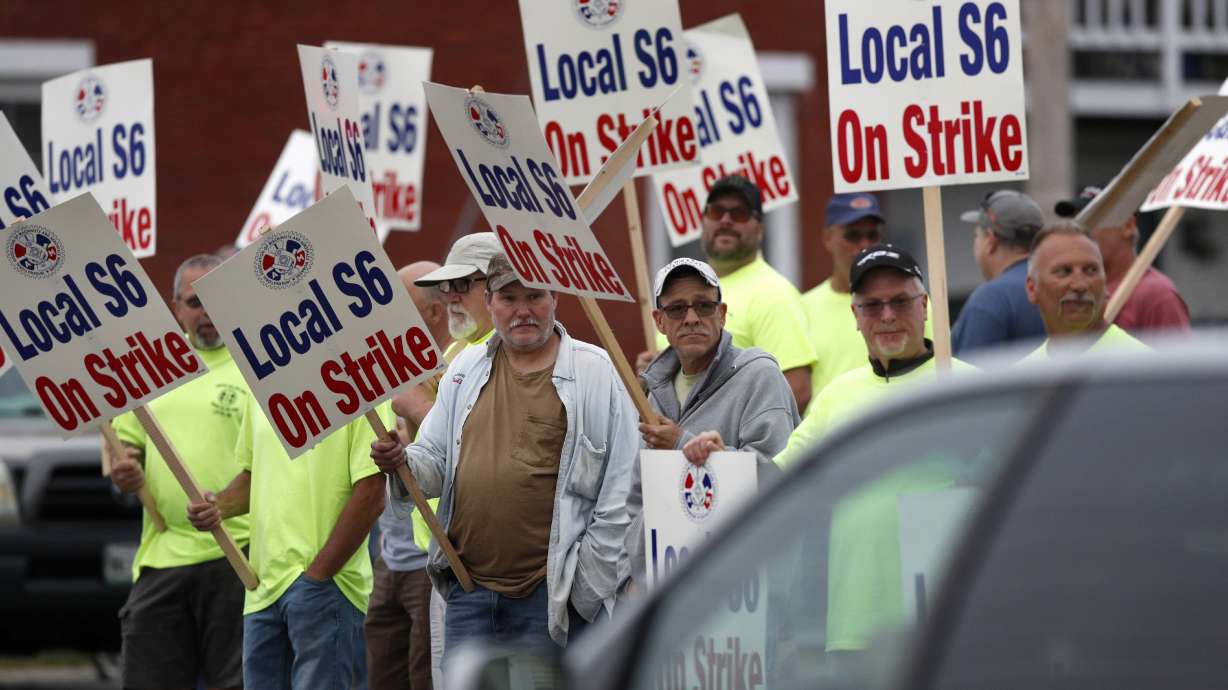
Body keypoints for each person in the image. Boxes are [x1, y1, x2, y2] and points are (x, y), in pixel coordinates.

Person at [369, 254, 638, 654]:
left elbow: (624, 486)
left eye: (534, 296)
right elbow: (435, 460)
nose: (523, 310)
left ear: (554, 300)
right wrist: (402, 462)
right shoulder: (464, 368)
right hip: (468, 593)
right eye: (509, 298)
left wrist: (586, 585)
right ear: (491, 303)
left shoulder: (595, 371)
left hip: (554, 601)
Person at [187, 383, 390, 687]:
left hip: (326, 587)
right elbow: (253, 475)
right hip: (261, 587)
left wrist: (320, 574)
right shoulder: (260, 387)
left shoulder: (362, 385)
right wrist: (217, 507)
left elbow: (371, 495)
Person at [109, 254, 250, 690]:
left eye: (214, 300)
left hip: (239, 556)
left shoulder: (259, 367)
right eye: (193, 302)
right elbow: (123, 454)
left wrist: (223, 507)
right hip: (161, 559)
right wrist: (124, 473)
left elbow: (274, 466)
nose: (205, 312)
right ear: (175, 308)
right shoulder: (149, 369)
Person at [621, 258, 800, 592]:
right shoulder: (651, 392)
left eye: (704, 305)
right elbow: (635, 498)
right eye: (676, 309)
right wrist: (631, 576)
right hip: (667, 595)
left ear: (722, 313)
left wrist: (683, 444)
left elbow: (782, 480)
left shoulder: (759, 375)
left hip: (746, 593)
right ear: (659, 321)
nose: (691, 318)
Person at [398, 233, 503, 686]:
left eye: (464, 284)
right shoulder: (457, 351)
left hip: (486, 564)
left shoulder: (509, 350)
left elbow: (479, 445)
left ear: (497, 286)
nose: (451, 296)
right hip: (444, 554)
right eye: (447, 285)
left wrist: (415, 406)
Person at [776, 244, 975, 468]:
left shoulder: (969, 385)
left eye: (900, 302)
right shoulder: (835, 396)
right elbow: (779, 472)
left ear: (924, 305)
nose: (887, 316)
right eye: (872, 305)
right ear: (856, 315)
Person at [643, 175, 815, 413]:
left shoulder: (774, 292)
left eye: (739, 213)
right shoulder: (682, 290)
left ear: (760, 228)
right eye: (716, 212)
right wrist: (655, 375)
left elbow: (795, 389)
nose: (725, 220)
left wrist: (723, 434)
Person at [365, 262, 453, 690]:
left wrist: (414, 411)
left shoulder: (457, 368)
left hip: (430, 558)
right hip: (391, 555)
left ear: (432, 313)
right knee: (381, 675)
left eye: (397, 306)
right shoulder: (391, 366)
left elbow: (458, 445)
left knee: (423, 676)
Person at [804, 193, 934, 401]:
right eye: (852, 235)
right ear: (827, 237)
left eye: (873, 235)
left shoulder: (915, 304)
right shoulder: (801, 308)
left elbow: (933, 367)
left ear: (923, 306)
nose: (864, 244)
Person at [1054, 186, 1190, 337]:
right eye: (1077, 223)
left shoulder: (1157, 295)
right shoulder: (1076, 293)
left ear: (1128, 225)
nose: (1080, 233)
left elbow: (1174, 360)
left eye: (1093, 220)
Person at [1021, 222, 1149, 359]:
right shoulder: (1023, 376)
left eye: (1090, 270)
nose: (1080, 285)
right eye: (1064, 272)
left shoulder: (1144, 367)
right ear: (1032, 288)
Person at [951, 190, 1048, 358]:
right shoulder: (1058, 284)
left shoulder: (992, 298)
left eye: (977, 235)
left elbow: (970, 379)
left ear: (990, 240)